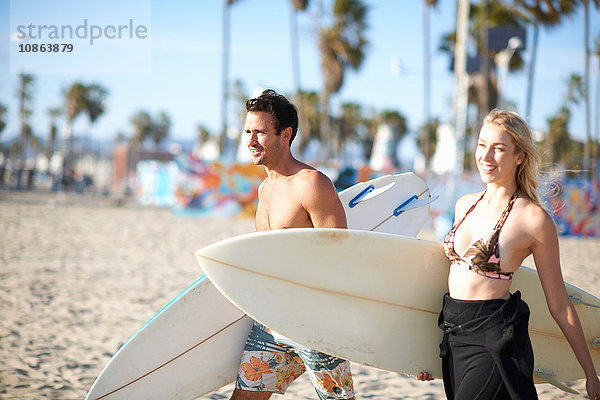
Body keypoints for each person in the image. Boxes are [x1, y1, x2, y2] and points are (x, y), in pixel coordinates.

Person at [419, 110, 600, 399]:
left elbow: (559, 303)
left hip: (493, 338)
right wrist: (419, 355)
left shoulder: (533, 219)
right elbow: (442, 281)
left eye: (499, 148)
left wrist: (591, 374)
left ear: (519, 156)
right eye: (482, 145)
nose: (486, 156)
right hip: (453, 337)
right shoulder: (464, 204)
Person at [230, 89, 355, 400]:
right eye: (248, 131)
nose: (251, 140)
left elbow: (343, 256)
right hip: (271, 319)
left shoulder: (312, 184)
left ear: (285, 135)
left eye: (260, 132)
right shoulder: (264, 190)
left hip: (314, 323)